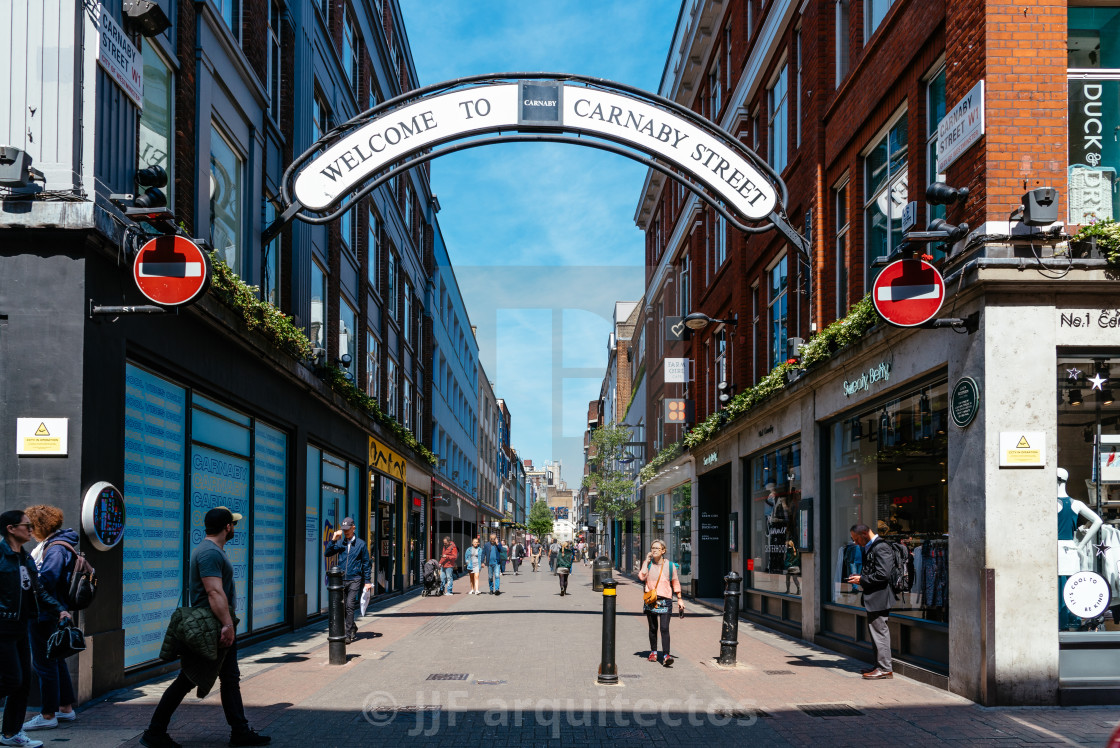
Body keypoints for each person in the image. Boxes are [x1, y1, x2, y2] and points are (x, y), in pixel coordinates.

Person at [141, 507, 270, 748]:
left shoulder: (212, 550)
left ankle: (240, 731)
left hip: (214, 625)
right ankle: (154, 732)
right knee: (187, 679)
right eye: (233, 524)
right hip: (211, 628)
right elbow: (213, 591)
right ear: (227, 527)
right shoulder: (209, 553)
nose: (235, 528)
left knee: (228, 678)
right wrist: (227, 625)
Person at [0, 510, 69, 748]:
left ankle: (10, 734)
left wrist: (59, 608)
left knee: (23, 684)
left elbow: (38, 590)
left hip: (20, 628)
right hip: (3, 628)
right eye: (26, 526)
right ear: (11, 529)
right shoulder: (2, 556)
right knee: (11, 681)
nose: (31, 530)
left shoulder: (25, 558)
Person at [21, 506, 78, 733]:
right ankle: (65, 708)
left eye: (31, 526)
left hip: (45, 613)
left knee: (44, 663)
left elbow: (47, 580)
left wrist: (29, 581)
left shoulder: (54, 549)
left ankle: (47, 714)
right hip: (54, 611)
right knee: (56, 659)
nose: (30, 531)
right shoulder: (59, 544)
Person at [846, 523, 896, 680]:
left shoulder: (880, 547)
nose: (855, 543)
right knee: (876, 632)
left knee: (880, 632)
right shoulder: (872, 546)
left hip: (879, 597)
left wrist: (862, 579)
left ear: (863, 534)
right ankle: (879, 666)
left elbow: (883, 574)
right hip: (875, 596)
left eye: (856, 539)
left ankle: (885, 669)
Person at [323, 518, 372, 644]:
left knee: (350, 605)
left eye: (348, 530)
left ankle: (348, 633)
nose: (346, 532)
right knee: (343, 607)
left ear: (353, 528)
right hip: (342, 579)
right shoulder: (340, 543)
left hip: (355, 578)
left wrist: (367, 580)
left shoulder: (361, 544)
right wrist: (334, 539)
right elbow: (327, 553)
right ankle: (353, 627)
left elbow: (366, 563)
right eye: (344, 530)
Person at [638, 540, 684, 667]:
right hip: (651, 600)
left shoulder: (670, 566)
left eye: (657, 548)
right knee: (653, 628)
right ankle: (653, 652)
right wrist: (646, 561)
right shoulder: (647, 564)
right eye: (652, 548)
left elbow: (675, 582)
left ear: (663, 550)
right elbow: (641, 577)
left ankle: (666, 655)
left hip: (665, 600)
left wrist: (679, 598)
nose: (654, 550)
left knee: (664, 628)